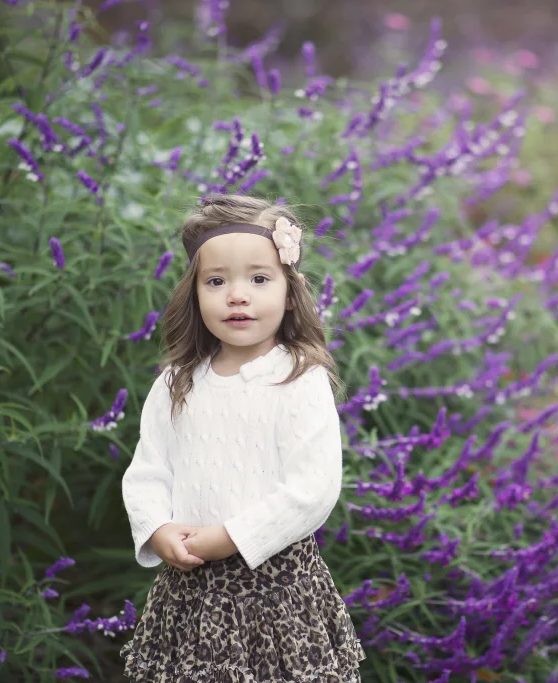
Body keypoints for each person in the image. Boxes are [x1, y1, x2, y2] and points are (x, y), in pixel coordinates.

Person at [119, 194, 365, 681]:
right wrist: (157, 529)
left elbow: (312, 488)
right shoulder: (177, 383)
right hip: (190, 590)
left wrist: (230, 538)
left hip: (276, 591)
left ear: (290, 291)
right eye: (216, 281)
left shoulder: (298, 379)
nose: (237, 295)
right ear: (194, 294)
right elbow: (148, 469)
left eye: (258, 279)